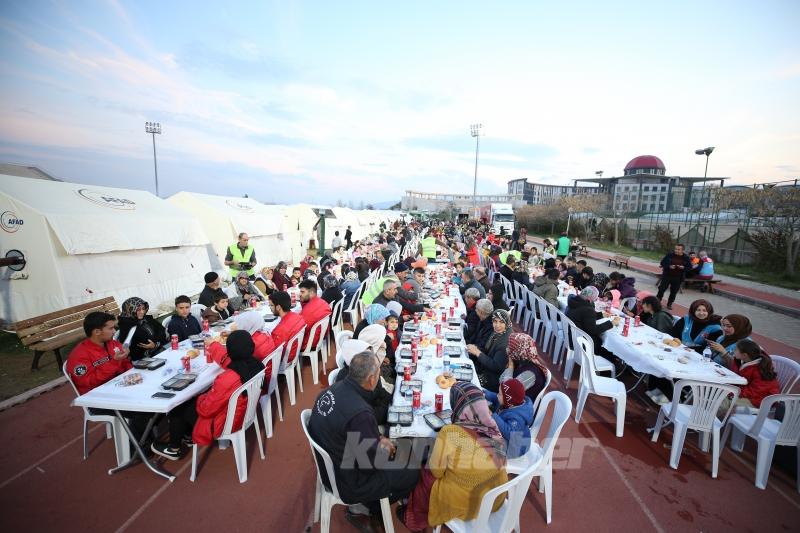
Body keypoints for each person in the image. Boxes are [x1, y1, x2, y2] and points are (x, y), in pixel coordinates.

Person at [309, 351, 420, 527]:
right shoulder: (360, 413)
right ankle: (366, 509)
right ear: (371, 378)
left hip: (331, 465)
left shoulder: (331, 390)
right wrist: (389, 449)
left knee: (398, 448)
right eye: (378, 374)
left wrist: (377, 439)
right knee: (412, 469)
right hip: (349, 480)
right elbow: (371, 464)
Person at [399, 382, 507, 531]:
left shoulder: (450, 432)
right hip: (495, 498)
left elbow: (436, 472)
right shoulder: (492, 426)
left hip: (467, 503)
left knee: (424, 474)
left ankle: (415, 519)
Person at [151, 330, 264, 460]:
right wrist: (213, 345)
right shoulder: (257, 365)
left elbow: (206, 410)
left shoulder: (227, 378)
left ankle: (173, 448)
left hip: (222, 423)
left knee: (178, 406)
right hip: (242, 414)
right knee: (192, 400)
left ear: (230, 351)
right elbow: (227, 361)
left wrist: (202, 396)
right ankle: (188, 435)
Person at [67, 311, 132, 395]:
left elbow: (125, 363)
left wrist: (133, 373)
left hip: (119, 386)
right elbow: (89, 382)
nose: (114, 331)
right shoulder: (79, 355)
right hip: (97, 396)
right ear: (97, 332)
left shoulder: (113, 344)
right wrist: (114, 362)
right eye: (111, 328)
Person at [718, 339, 779, 412]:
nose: (733, 351)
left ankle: (712, 418)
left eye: (736, 350)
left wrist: (732, 391)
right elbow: (737, 378)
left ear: (744, 355)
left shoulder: (760, 370)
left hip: (761, 400)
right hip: (747, 392)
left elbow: (755, 392)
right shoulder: (740, 360)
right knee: (718, 394)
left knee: (725, 403)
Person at [484, 378, 534, 458]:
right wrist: (486, 394)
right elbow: (497, 398)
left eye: (499, 394)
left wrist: (492, 415)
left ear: (508, 400)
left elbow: (508, 432)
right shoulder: (510, 403)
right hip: (507, 437)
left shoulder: (518, 417)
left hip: (515, 447)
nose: (497, 395)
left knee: (483, 442)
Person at [206, 311, 276, 365]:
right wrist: (232, 333)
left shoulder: (248, 345)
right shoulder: (263, 333)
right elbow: (246, 334)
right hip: (266, 369)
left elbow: (232, 364)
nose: (239, 327)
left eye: (240, 325)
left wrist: (213, 345)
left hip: (260, 376)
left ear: (246, 326)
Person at [565, 286, 618, 358]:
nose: (595, 300)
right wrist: (611, 323)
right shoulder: (588, 309)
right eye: (595, 299)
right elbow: (593, 330)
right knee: (603, 342)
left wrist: (601, 315)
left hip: (570, 335)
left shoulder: (573, 300)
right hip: (579, 342)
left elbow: (583, 316)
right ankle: (614, 361)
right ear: (589, 299)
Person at [466, 309, 511, 392]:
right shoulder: (497, 333)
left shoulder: (504, 343)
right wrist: (475, 348)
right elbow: (487, 350)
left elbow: (496, 366)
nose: (497, 325)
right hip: (484, 369)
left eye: (501, 322)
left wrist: (477, 352)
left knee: (466, 383)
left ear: (506, 323)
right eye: (495, 321)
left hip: (492, 380)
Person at [501, 332, 550, 405]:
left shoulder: (530, 373)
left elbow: (506, 391)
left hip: (517, 408)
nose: (507, 349)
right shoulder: (521, 361)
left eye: (510, 346)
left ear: (518, 350)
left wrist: (510, 367)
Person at [116, 297, 167, 361]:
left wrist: (155, 344)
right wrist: (157, 341)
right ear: (130, 310)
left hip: (157, 349)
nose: (142, 312)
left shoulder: (147, 318)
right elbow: (144, 341)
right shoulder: (126, 325)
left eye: (143, 309)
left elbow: (162, 330)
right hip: (142, 359)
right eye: (138, 310)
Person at [656, 243, 692, 310]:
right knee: (661, 289)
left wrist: (683, 267)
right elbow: (662, 263)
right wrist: (669, 266)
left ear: (682, 250)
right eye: (675, 249)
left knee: (674, 291)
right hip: (667, 275)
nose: (676, 250)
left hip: (678, 277)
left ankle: (669, 304)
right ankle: (657, 302)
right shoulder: (670, 255)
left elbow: (689, 267)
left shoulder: (686, 257)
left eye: (678, 249)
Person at [298, 279, 331, 348]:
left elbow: (299, 330)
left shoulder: (309, 310)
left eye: (302, 292)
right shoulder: (322, 302)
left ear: (311, 293)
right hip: (320, 335)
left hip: (310, 342)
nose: (300, 294)